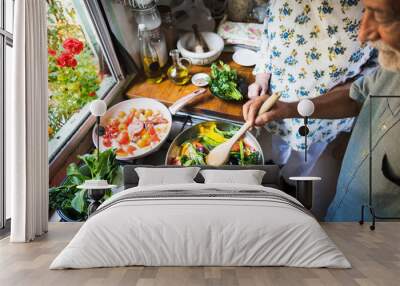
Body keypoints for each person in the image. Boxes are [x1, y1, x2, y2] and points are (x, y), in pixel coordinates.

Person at [244, 0, 400, 221]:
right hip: (285, 98)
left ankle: (290, 184)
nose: (363, 34)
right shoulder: (391, 70)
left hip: (323, 120)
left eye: (379, 15)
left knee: (303, 159)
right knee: (280, 148)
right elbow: (360, 93)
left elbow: (370, 69)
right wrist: (287, 104)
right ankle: (278, 173)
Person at [246, 0, 376, 180]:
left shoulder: (375, 11)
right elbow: (270, 27)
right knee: (279, 142)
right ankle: (277, 164)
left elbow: (372, 75)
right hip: (278, 95)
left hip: (325, 111)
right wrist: (262, 76)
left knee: (305, 156)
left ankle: (291, 181)